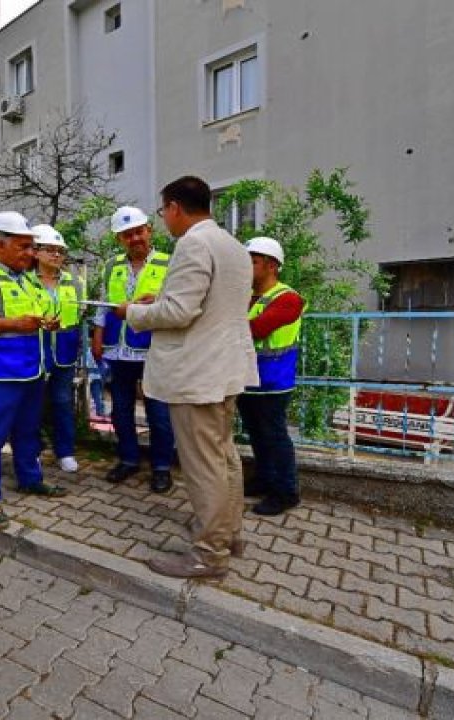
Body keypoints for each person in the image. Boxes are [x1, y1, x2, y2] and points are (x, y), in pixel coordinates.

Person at [122, 176, 259, 579]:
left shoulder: (193, 243)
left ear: (176, 207)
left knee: (203, 466)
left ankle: (209, 554)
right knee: (224, 456)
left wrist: (134, 312)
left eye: (163, 210)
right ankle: (229, 534)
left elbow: (180, 313)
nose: (163, 218)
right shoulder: (231, 245)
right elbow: (207, 302)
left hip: (198, 373)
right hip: (225, 369)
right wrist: (160, 301)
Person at [0, 212, 69, 530]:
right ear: (0, 244)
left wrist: (46, 322)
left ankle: (30, 479)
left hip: (30, 373)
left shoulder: (26, 280)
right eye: (23, 247)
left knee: (27, 434)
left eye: (32, 247)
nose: (30, 253)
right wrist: (14, 324)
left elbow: (30, 318)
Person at [93, 206, 175, 493]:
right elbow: (103, 305)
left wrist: (158, 300)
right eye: (127, 235)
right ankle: (128, 459)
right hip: (118, 348)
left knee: (159, 413)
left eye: (139, 231)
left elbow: (178, 305)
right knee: (121, 410)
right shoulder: (111, 266)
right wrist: (98, 336)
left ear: (149, 231)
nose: (135, 238)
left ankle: (162, 466)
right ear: (119, 239)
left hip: (154, 348)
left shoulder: (169, 263)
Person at [238, 237, 305, 516]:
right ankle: (264, 478)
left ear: (272, 266)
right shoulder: (246, 295)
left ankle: (286, 492)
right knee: (256, 434)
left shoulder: (288, 298)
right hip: (247, 380)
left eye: (252, 262)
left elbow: (257, 328)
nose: (246, 268)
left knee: (274, 436)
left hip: (273, 382)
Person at [30, 224, 85, 473]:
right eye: (50, 250)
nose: (56, 256)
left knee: (62, 402)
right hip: (36, 351)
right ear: (36, 252)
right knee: (33, 403)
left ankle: (65, 451)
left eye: (60, 251)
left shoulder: (74, 282)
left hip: (64, 352)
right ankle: (32, 450)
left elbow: (80, 318)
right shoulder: (26, 280)